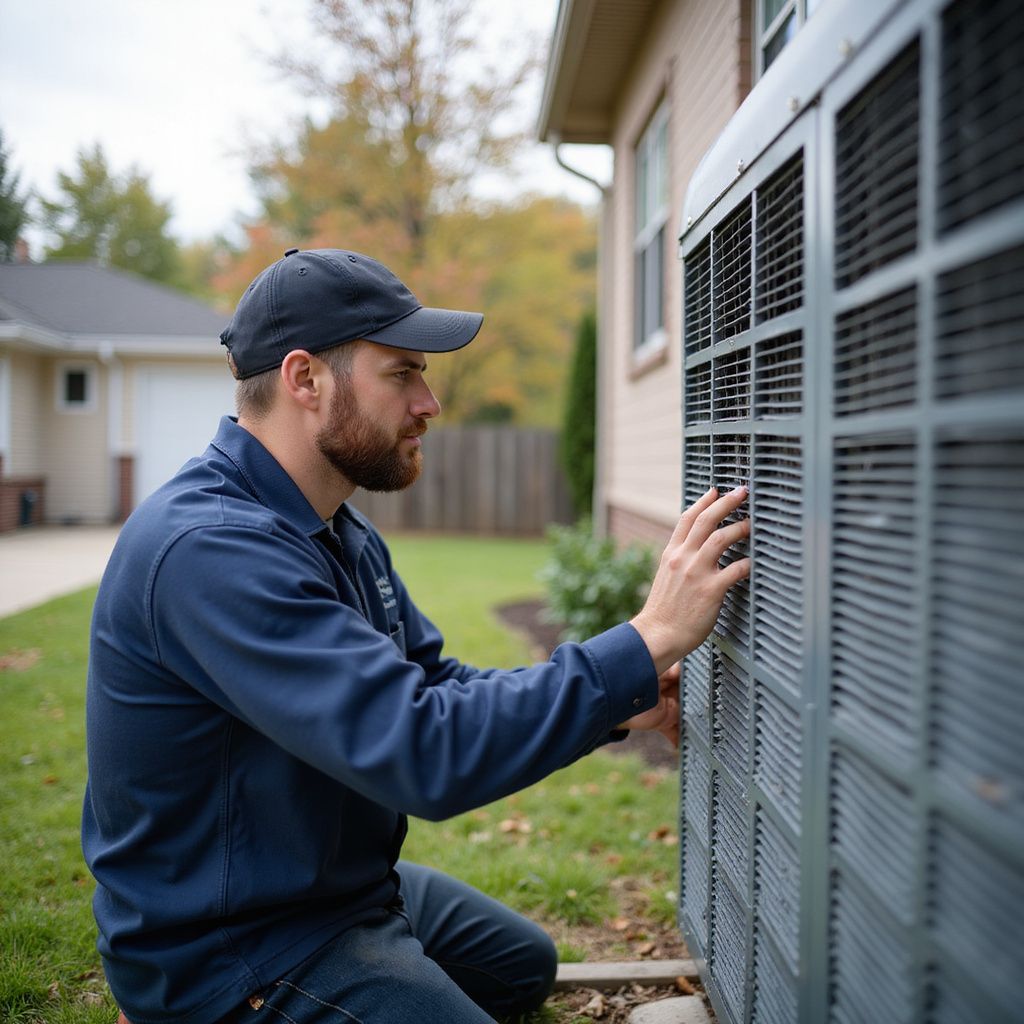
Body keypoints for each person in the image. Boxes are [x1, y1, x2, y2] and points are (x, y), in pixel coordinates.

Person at [83, 248, 750, 1024]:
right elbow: (423, 752)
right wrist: (650, 636)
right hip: (230, 947)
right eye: (402, 373)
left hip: (323, 886)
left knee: (520, 968)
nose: (429, 402)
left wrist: (618, 705)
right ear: (306, 379)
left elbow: (436, 687)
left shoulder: (336, 529)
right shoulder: (210, 549)